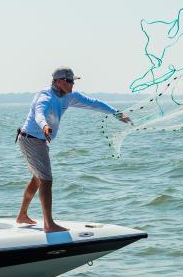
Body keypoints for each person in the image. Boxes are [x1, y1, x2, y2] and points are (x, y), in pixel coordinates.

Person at [15, 67, 132, 232]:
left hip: (38, 141)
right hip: (31, 140)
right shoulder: (45, 96)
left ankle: (22, 216)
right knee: (46, 180)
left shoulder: (69, 96)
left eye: (73, 81)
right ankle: (49, 224)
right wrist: (44, 125)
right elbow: (39, 114)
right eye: (69, 81)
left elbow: (93, 103)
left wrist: (116, 113)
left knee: (38, 179)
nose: (72, 84)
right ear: (58, 81)